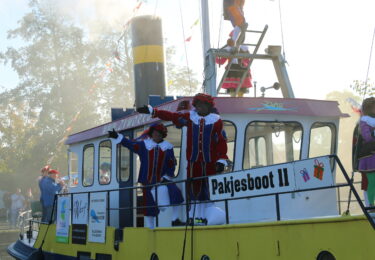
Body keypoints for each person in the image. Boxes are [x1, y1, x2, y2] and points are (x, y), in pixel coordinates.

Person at [137, 93, 228, 225]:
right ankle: (193, 217)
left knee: (207, 190)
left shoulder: (216, 121)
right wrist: (154, 111)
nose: (200, 108)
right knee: (194, 190)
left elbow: (220, 141)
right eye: (198, 105)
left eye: (203, 105)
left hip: (209, 162)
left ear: (209, 106)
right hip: (193, 161)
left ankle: (206, 216)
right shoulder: (190, 118)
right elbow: (172, 116)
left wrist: (222, 159)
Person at [108, 123, 184, 228]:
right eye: (155, 133)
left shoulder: (168, 147)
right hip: (147, 180)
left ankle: (175, 219)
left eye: (159, 133)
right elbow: (130, 144)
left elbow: (171, 164)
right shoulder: (144, 145)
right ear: (151, 134)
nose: (157, 135)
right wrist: (117, 136)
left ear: (163, 134)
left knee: (176, 193)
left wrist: (166, 177)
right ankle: (150, 227)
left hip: (162, 180)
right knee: (149, 205)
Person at [357, 97, 375, 211]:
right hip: (369, 158)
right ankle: (371, 207)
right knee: (370, 183)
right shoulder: (364, 121)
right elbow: (367, 137)